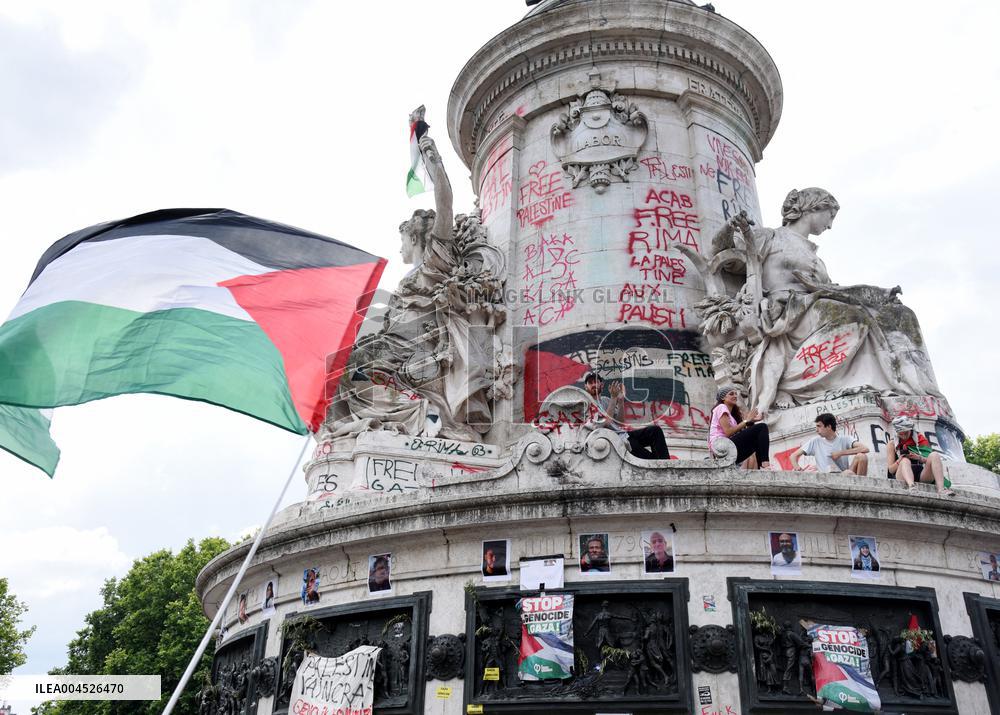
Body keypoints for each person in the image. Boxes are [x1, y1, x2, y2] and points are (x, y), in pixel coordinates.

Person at [583, 372, 670, 459]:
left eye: (596, 382)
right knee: (652, 460)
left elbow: (620, 423)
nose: (594, 385)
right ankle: (664, 468)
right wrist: (614, 398)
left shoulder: (606, 400)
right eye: (590, 383)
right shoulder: (587, 405)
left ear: (601, 385)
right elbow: (606, 423)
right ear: (586, 387)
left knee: (655, 431)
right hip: (617, 440)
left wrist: (620, 401)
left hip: (625, 435)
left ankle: (666, 465)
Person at [887, 416, 955, 496]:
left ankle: (941, 489)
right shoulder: (892, 444)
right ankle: (912, 487)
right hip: (902, 475)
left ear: (910, 429)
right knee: (905, 460)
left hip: (921, 474)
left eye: (906, 433)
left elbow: (930, 460)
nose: (904, 436)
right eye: (901, 434)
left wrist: (919, 457)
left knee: (935, 455)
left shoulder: (920, 439)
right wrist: (900, 460)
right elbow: (891, 470)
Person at [709, 387, 770, 468]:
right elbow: (728, 432)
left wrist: (751, 421)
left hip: (728, 448)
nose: (735, 396)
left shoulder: (732, 415)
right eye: (731, 394)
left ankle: (762, 467)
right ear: (723, 398)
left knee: (757, 438)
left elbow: (740, 432)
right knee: (762, 427)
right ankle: (765, 464)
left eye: (735, 394)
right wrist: (746, 421)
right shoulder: (721, 407)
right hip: (721, 446)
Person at [790, 413, 869, 475]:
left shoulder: (845, 439)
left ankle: (861, 487)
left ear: (828, 426)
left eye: (819, 426)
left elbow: (865, 449)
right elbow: (793, 456)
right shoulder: (815, 441)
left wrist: (840, 453)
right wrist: (798, 469)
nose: (816, 430)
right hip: (827, 478)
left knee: (862, 457)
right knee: (849, 473)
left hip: (845, 475)